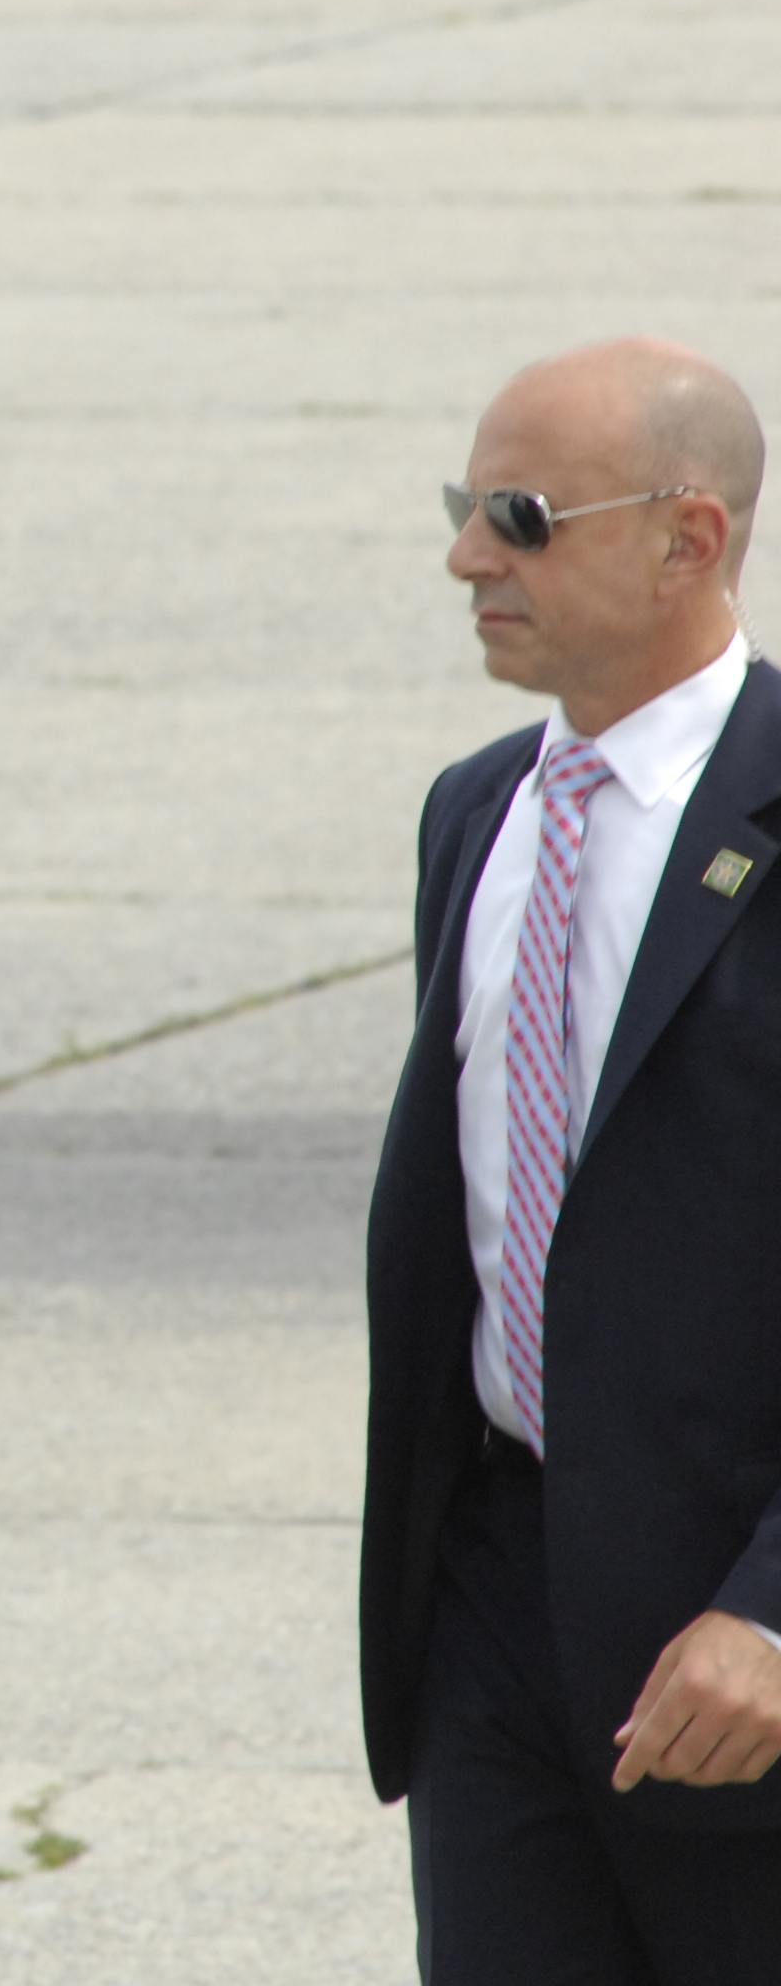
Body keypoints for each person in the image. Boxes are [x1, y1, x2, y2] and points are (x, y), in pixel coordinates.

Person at [361, 336, 781, 1983]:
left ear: (689, 538)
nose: (470, 556)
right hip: (495, 1625)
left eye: (522, 516)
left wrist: (773, 1609)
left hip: (732, 1650)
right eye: (467, 507)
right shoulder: (478, 816)